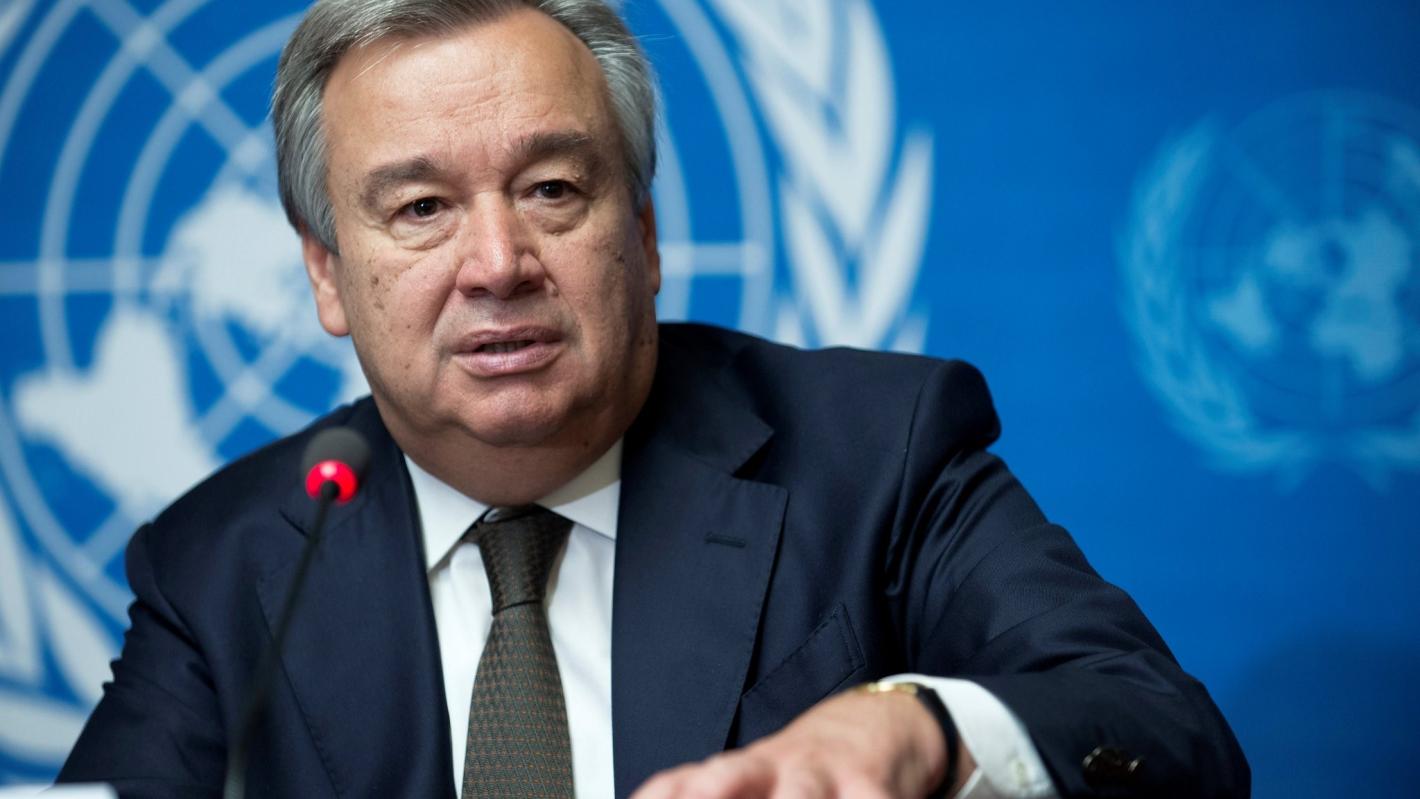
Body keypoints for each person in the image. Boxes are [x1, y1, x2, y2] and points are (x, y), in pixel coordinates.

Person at [57, 0, 1249, 797]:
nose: (497, 263)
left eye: (553, 189)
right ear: (327, 272)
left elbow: (1163, 732)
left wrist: (922, 733)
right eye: (420, 209)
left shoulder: (872, 457)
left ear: (642, 231)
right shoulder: (226, 561)